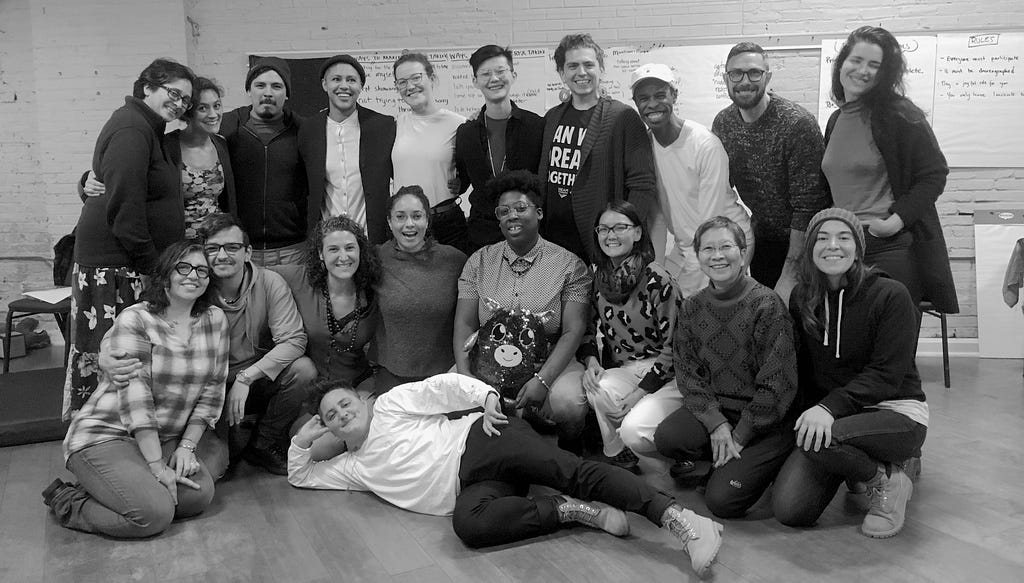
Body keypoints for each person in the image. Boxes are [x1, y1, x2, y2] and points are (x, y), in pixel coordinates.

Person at [288, 374, 724, 578]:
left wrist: (488, 396)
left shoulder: (389, 405)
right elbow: (302, 476)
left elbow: (444, 387)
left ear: (362, 402)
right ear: (329, 427)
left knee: (572, 471)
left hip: (484, 437)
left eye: (346, 404)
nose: (342, 414)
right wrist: (301, 442)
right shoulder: (353, 467)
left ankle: (682, 521)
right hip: (474, 487)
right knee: (469, 526)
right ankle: (570, 512)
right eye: (331, 415)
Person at [43, 240, 228, 539]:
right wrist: (157, 468)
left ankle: (116, 486)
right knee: (154, 515)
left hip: (165, 436)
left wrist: (186, 447)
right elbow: (136, 402)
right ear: (165, 273)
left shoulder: (215, 320)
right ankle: (69, 500)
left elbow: (212, 389)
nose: (193, 275)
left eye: (202, 271)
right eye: (183, 267)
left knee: (198, 496)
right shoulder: (137, 319)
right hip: (106, 433)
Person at [622, 217, 798, 519]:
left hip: (765, 422)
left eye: (726, 247)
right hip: (721, 411)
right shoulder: (692, 307)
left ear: (743, 253)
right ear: (698, 256)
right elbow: (688, 375)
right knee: (669, 437)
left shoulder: (767, 305)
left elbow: (777, 383)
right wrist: (716, 424)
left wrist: (740, 434)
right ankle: (719, 462)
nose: (717, 256)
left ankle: (764, 462)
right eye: (708, 249)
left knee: (722, 502)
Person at [772, 208, 927, 538]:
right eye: (822, 238)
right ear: (810, 248)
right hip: (840, 417)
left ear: (858, 248)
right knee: (790, 509)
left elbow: (886, 376)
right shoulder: (803, 298)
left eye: (844, 238)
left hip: (896, 413)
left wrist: (827, 409)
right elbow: (809, 371)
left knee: (817, 443)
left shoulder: (890, 295)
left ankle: (886, 481)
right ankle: (859, 463)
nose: (833, 246)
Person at [64, 58, 197, 418]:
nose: (180, 103)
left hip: (126, 265)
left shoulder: (148, 128)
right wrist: (154, 268)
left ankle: (128, 437)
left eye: (185, 99)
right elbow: (125, 209)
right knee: (113, 361)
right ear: (147, 88)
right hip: (117, 270)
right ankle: (99, 441)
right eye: (173, 93)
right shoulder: (132, 128)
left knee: (129, 360)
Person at [821, 26, 958, 318]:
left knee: (892, 343)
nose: (863, 71)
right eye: (856, 60)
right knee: (845, 341)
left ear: (885, 74)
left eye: (875, 65)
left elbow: (934, 173)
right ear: (842, 63)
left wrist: (896, 221)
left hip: (888, 246)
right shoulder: (835, 120)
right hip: (843, 247)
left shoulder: (899, 114)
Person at [454, 170, 591, 442]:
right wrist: (466, 377)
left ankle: (566, 454)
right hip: (487, 359)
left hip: (549, 359)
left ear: (538, 213)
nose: (511, 216)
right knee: (451, 395)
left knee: (569, 402)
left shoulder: (569, 265)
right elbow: (465, 323)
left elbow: (573, 331)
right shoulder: (479, 262)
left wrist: (543, 380)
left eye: (520, 208)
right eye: (503, 211)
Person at [711, 42, 828, 299]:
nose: (744, 81)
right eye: (736, 74)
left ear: (768, 76)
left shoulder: (797, 124)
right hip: (763, 238)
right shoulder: (723, 123)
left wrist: (790, 274)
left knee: (801, 325)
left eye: (754, 73)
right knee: (768, 327)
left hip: (806, 244)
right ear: (726, 78)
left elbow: (808, 207)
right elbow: (720, 188)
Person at [629, 63, 752, 297]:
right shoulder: (645, 146)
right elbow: (657, 216)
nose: (652, 104)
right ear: (636, 103)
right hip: (686, 244)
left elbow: (711, 221)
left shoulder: (705, 145)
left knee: (698, 311)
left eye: (660, 95)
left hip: (726, 239)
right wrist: (656, 268)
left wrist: (695, 276)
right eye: (643, 98)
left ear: (674, 95)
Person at [539, 33, 657, 263]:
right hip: (554, 241)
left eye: (588, 64)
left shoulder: (622, 117)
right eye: (572, 66)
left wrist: (627, 234)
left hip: (602, 241)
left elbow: (642, 184)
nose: (581, 72)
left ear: (601, 69)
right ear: (562, 74)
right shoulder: (552, 118)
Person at [579, 201, 678, 473]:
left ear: (637, 233)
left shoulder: (657, 278)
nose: (611, 235)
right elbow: (587, 327)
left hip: (669, 373)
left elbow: (676, 346)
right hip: (628, 367)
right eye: (604, 229)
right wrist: (591, 362)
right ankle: (618, 455)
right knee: (597, 389)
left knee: (634, 426)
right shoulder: (597, 275)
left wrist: (640, 393)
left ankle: (678, 457)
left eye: (620, 227)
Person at [80, 77, 239, 239]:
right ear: (188, 113)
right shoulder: (164, 146)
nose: (213, 114)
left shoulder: (221, 144)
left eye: (217, 106)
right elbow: (126, 181)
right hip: (176, 248)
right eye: (203, 108)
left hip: (215, 245)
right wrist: (89, 180)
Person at [374, 186, 467, 393]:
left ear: (427, 220)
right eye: (400, 217)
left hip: (445, 374)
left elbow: (471, 319)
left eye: (417, 216)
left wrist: (461, 366)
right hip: (392, 374)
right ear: (389, 222)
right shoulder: (375, 259)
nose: (409, 224)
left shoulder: (455, 260)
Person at [453, 44, 545, 253]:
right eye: (485, 73)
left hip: (528, 232)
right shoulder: (466, 133)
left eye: (500, 71)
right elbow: (461, 180)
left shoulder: (536, 126)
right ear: (475, 81)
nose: (494, 79)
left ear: (513, 75)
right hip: (482, 234)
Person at [274, 216, 380, 393]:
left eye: (350, 248)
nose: (343, 257)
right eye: (333, 249)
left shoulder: (373, 289)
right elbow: (257, 275)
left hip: (357, 384)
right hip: (310, 387)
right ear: (321, 254)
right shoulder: (299, 279)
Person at [220, 56, 309, 266]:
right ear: (249, 91)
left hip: (293, 251)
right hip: (241, 250)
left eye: (276, 86)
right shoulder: (226, 130)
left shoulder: (305, 132)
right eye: (260, 85)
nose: (268, 92)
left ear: (286, 94)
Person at [299, 54, 396, 245]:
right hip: (327, 242)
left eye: (351, 80)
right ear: (324, 85)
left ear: (361, 87)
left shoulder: (383, 126)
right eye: (336, 79)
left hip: (373, 240)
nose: (344, 86)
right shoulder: (309, 129)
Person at [391, 53, 468, 251]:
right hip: (407, 226)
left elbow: (469, 169)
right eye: (402, 82)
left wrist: (461, 182)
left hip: (446, 224)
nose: (410, 86)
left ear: (432, 78)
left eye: (416, 78)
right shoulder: (395, 125)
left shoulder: (459, 124)